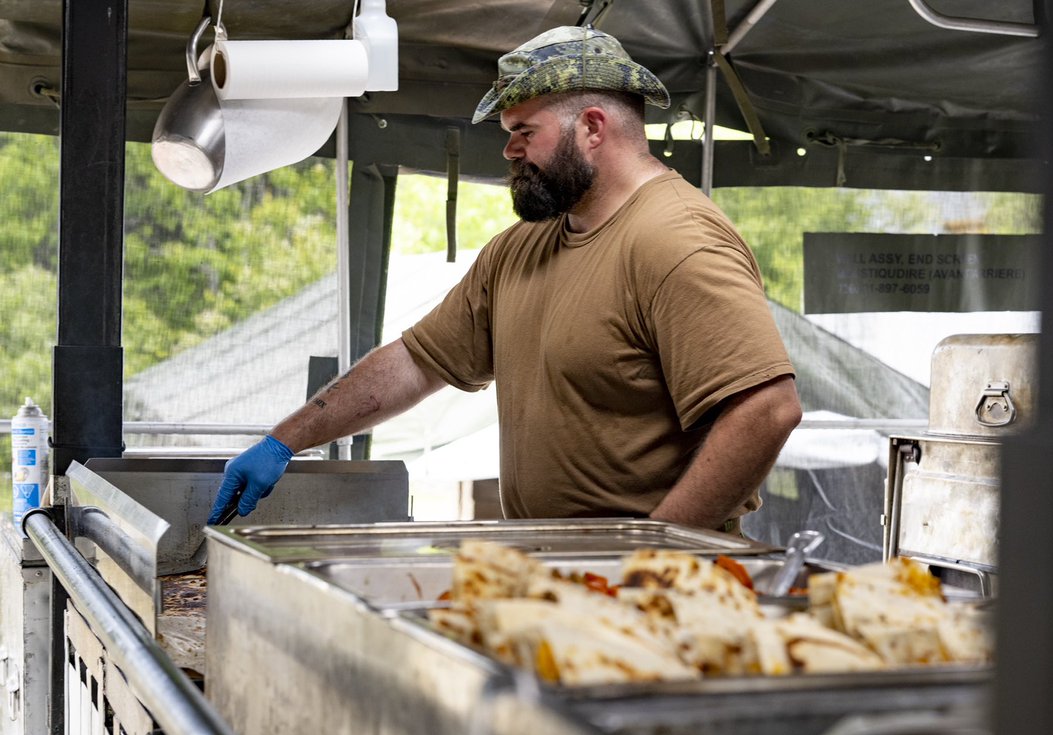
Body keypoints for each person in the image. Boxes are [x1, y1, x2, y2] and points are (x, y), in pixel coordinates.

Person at [208, 25, 802, 532]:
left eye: (525, 131)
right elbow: (418, 362)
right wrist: (285, 440)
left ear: (592, 127)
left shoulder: (676, 241)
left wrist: (653, 556)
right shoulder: (520, 249)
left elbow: (767, 410)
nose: (511, 152)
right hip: (558, 579)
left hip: (659, 593)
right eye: (508, 135)